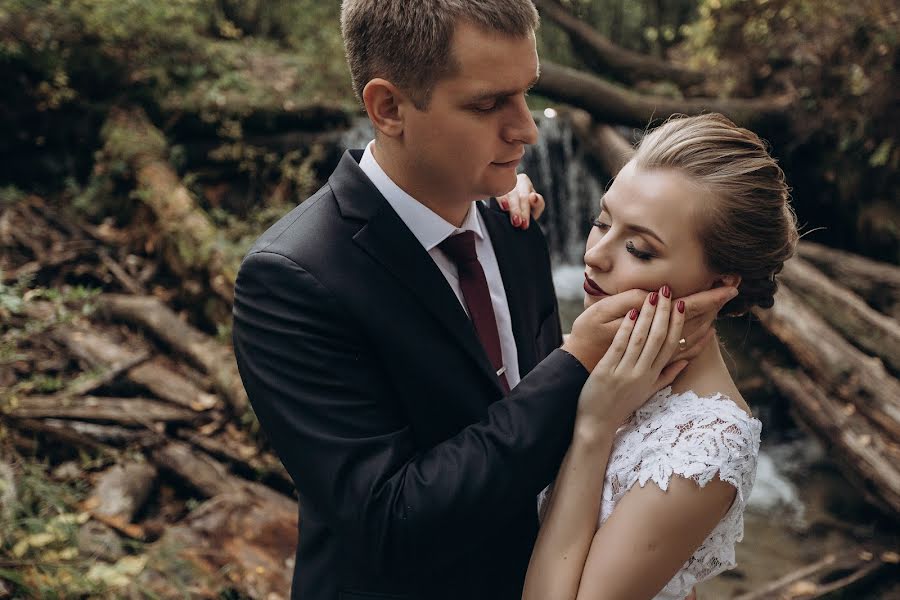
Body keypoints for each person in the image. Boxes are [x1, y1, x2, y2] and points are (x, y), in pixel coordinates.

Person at [230, 1, 736, 598]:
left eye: (525, 93)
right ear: (388, 108)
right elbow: (391, 523)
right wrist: (576, 363)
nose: (526, 128)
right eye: (488, 104)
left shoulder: (513, 223)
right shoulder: (292, 279)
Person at [521, 113, 799, 600]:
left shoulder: (707, 446)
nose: (595, 255)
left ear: (718, 286)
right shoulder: (589, 349)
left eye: (638, 248)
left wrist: (595, 426)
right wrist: (496, 221)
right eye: (601, 222)